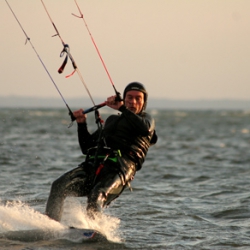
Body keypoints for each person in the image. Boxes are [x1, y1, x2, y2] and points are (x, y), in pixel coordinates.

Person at [45, 82, 157, 221]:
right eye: (129, 97)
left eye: (138, 98)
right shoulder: (112, 120)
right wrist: (81, 124)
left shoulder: (147, 120)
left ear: (144, 102)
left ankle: (94, 230)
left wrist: (122, 108)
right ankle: (51, 226)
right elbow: (86, 148)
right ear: (124, 99)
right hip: (95, 166)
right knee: (58, 186)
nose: (133, 102)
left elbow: (145, 129)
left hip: (120, 170)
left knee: (96, 195)